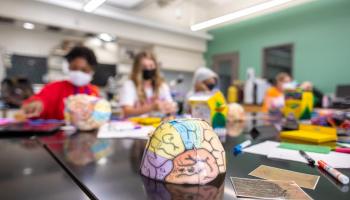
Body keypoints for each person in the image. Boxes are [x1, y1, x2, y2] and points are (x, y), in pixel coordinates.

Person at [21, 46, 99, 119]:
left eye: (84, 70)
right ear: (68, 67)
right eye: (74, 68)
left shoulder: (93, 92)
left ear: (91, 71)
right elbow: (38, 100)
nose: (78, 73)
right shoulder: (54, 88)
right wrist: (35, 105)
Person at [119, 51, 175, 117]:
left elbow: (171, 106)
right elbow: (126, 111)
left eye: (151, 66)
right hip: (134, 125)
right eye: (144, 66)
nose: (148, 69)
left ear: (156, 67)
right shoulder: (129, 85)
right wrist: (151, 107)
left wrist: (169, 107)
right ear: (137, 68)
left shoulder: (162, 86)